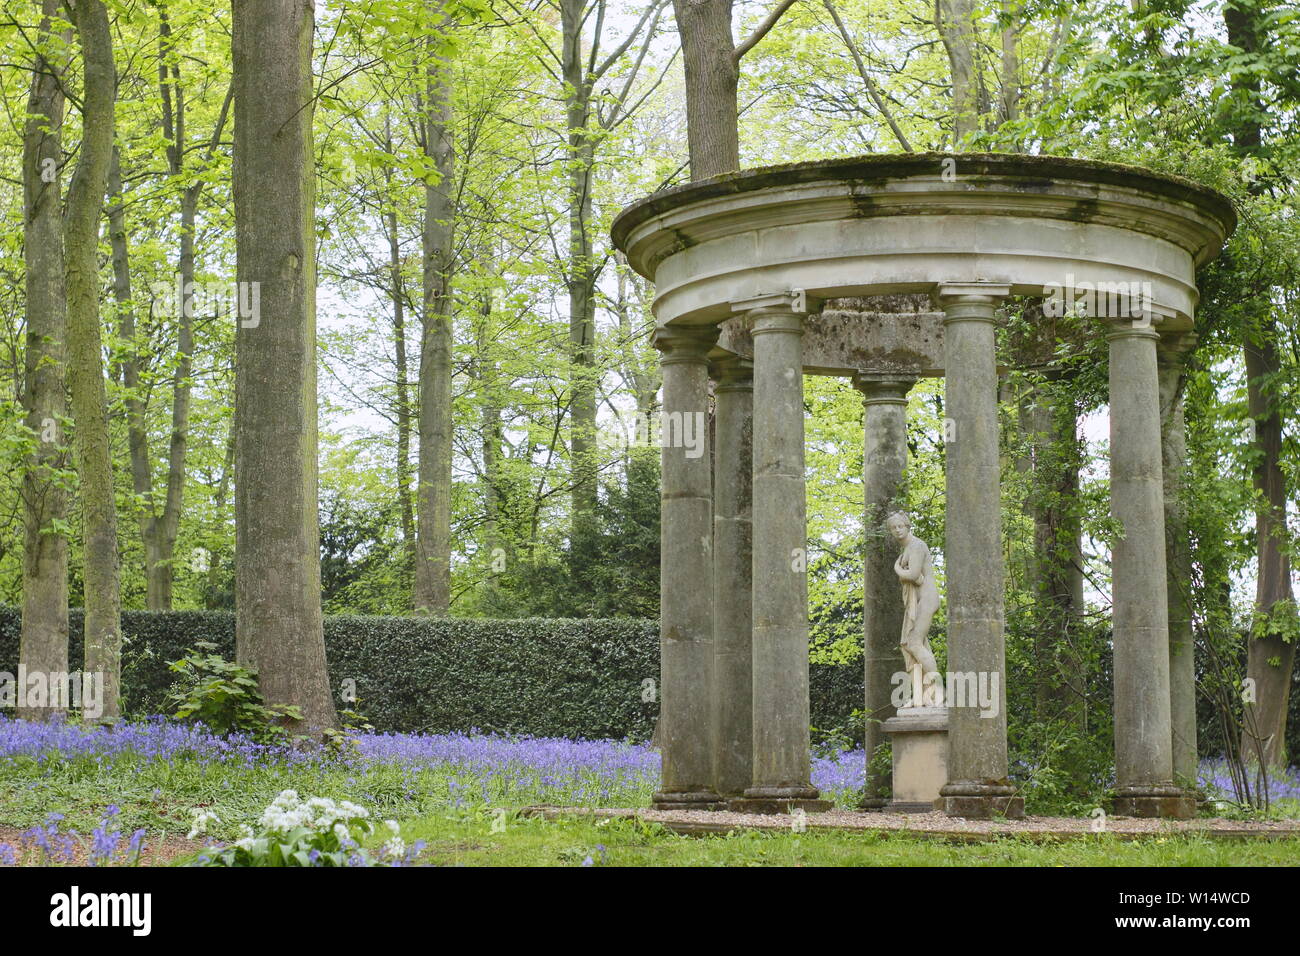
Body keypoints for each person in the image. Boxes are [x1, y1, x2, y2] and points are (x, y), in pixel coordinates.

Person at [887, 512, 941, 708]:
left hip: (926, 599)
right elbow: (915, 578)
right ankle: (919, 696)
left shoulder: (917, 546)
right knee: (910, 646)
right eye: (893, 528)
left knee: (915, 643)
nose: (897, 530)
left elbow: (914, 575)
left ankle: (937, 691)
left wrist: (898, 570)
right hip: (916, 601)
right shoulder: (906, 550)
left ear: (907, 525)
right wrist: (906, 574)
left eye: (900, 526)